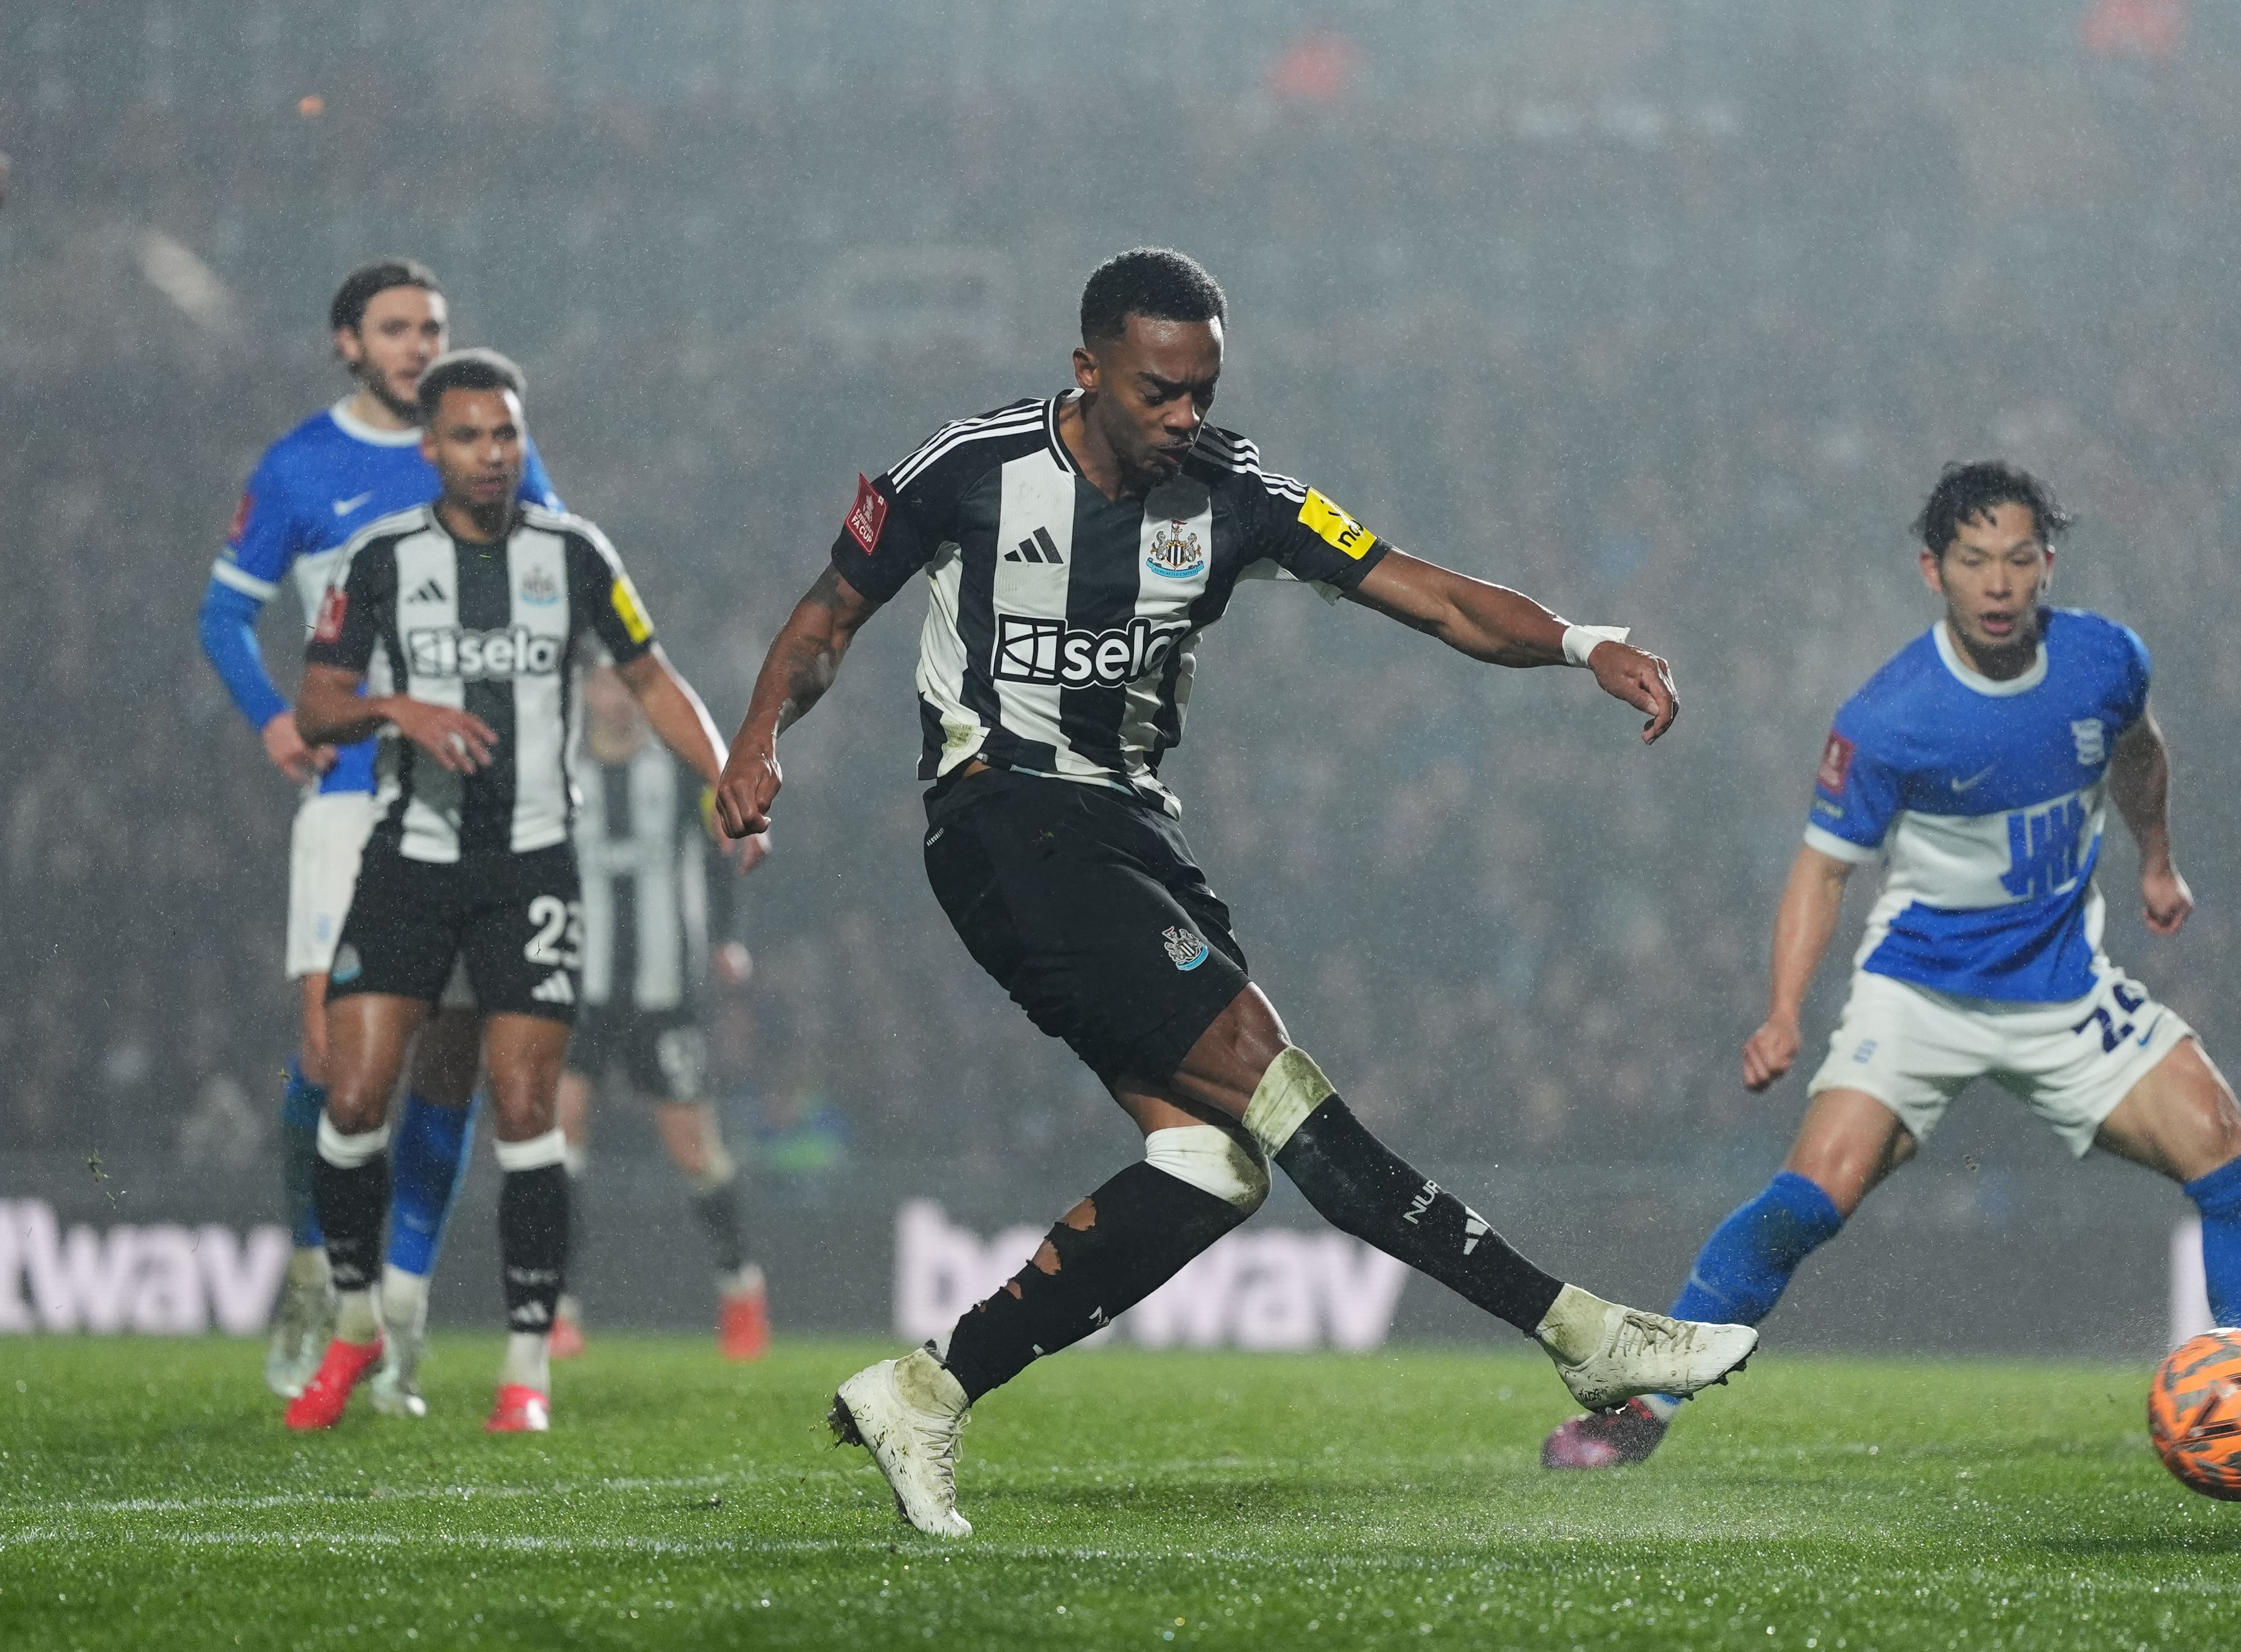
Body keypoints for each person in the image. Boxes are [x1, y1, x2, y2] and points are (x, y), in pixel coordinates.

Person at [714, 247, 1759, 1538]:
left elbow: (1427, 594)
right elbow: (824, 621)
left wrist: (1581, 641)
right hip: (1010, 820)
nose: (1184, 417)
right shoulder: (969, 469)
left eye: (1201, 389)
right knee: (1280, 1087)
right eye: (1159, 391)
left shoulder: (1233, 494)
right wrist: (762, 735)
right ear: (1087, 369)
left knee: (1212, 1166)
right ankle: (1583, 1331)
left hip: (1133, 836)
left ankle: (927, 1390)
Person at [1539, 461, 2241, 1487]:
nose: (1997, 583)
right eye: (1973, 561)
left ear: (2049, 564)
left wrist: (2159, 861)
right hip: (1922, 994)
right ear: (1933, 571)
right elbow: (1823, 872)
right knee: (1811, 1194)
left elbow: (2141, 757)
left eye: (2017, 559)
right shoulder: (1892, 715)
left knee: (2230, 1159)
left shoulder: (2105, 662)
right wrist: (1782, 1011)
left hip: (2065, 990)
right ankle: (1644, 1407)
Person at [286, 349, 736, 1433]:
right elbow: (316, 705)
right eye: (470, 437)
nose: (493, 455)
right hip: (409, 859)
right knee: (353, 1101)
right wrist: (401, 712)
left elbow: (650, 677)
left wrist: (727, 777)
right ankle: (355, 1329)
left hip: (532, 866)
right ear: (431, 449)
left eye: (507, 435)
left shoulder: (575, 553)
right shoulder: (384, 557)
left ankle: (525, 1369)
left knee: (529, 1113)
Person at [196, 259, 563, 1409]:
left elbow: (558, 579)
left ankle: (400, 1312)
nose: (418, 345)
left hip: (473, 804)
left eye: (433, 327)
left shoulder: (486, 445)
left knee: (447, 1064)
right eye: (396, 329)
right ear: (346, 344)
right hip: (354, 793)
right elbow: (224, 612)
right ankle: (320, 1275)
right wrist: (272, 720)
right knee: (329, 1058)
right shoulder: (302, 466)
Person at [552, 659, 770, 1363]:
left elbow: (723, 851)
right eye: (605, 685)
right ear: (586, 690)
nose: (617, 699)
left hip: (665, 989)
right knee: (558, 1142)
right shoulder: (556, 768)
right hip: (577, 989)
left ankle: (740, 1285)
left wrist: (728, 938)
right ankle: (556, 1306)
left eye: (628, 685)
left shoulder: (678, 768)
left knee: (694, 1150)